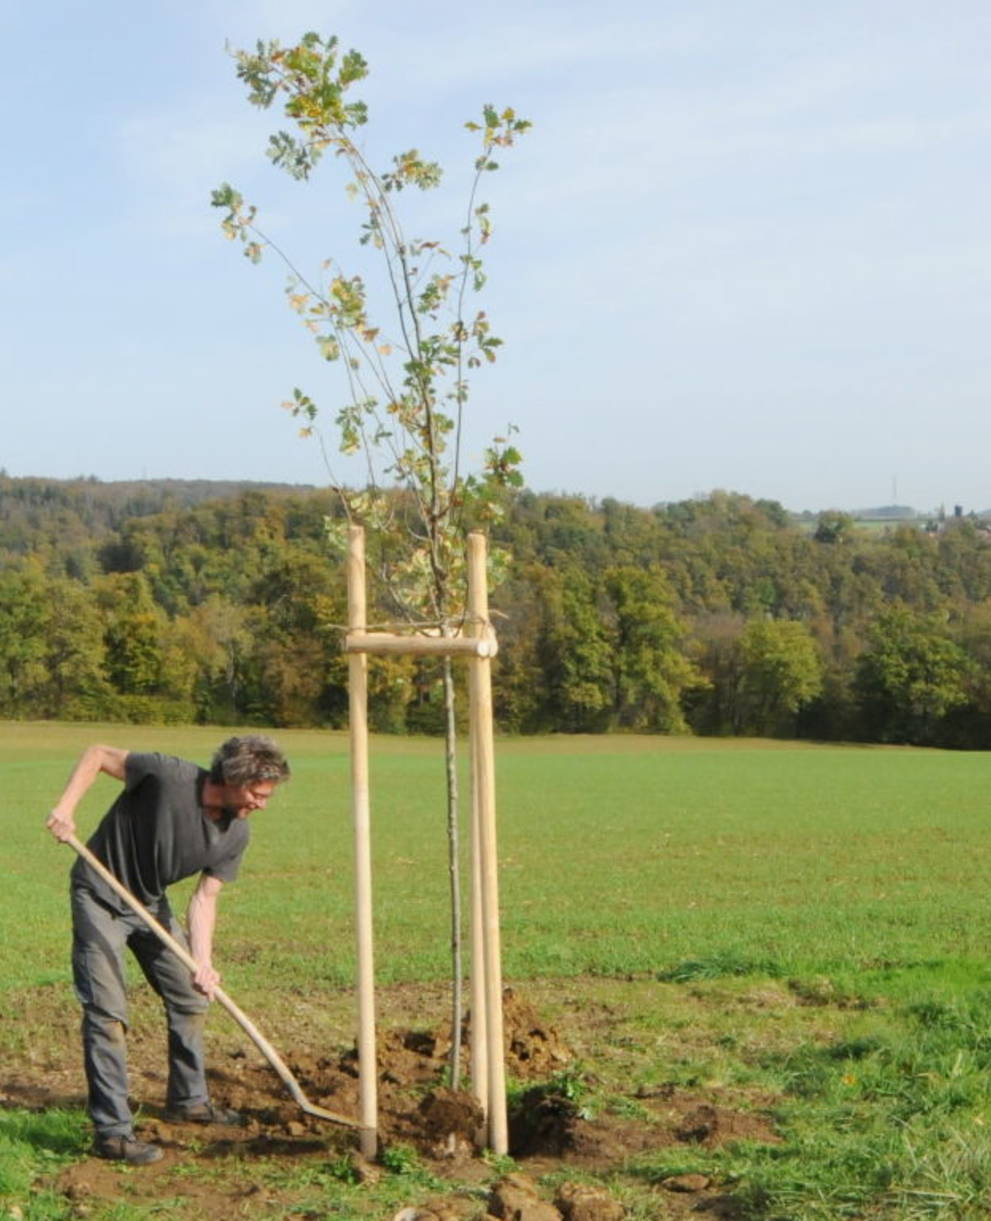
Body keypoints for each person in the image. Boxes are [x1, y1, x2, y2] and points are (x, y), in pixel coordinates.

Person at [46, 734, 290, 1166]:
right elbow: (99, 755)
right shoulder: (167, 775)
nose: (262, 804)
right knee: (107, 1014)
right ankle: (113, 1133)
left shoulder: (236, 834)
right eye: (257, 793)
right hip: (100, 894)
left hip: (149, 904)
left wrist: (204, 962)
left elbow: (205, 899)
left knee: (191, 994)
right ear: (233, 779)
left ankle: (189, 1100)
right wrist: (66, 809)